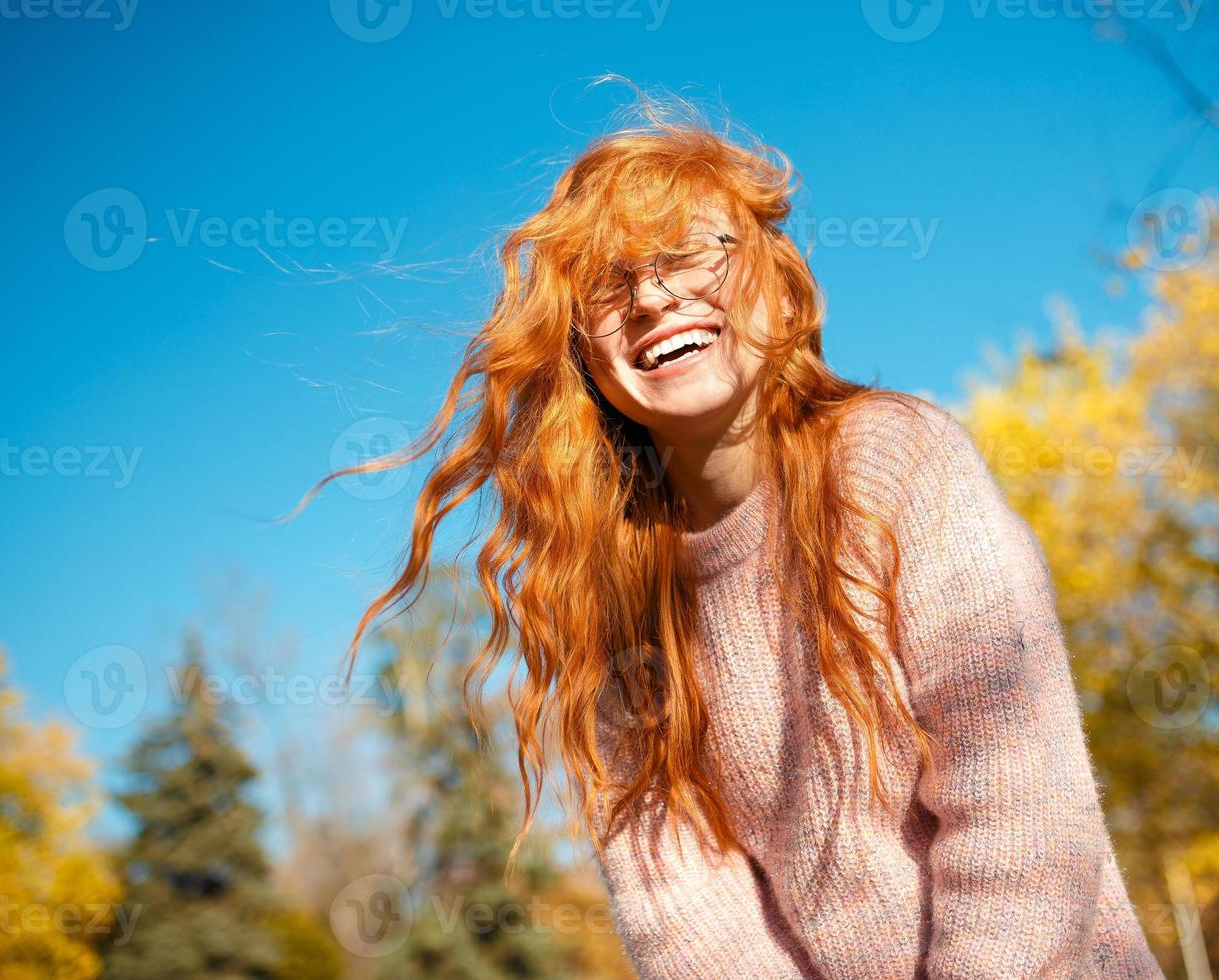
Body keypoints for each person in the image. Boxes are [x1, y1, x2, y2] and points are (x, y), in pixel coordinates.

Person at [323, 90, 1166, 978]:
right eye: (608, 283)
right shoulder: (605, 595)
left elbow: (1020, 808)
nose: (652, 295)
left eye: (690, 251)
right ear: (580, 352)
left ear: (774, 274)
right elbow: (689, 920)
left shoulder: (898, 464)